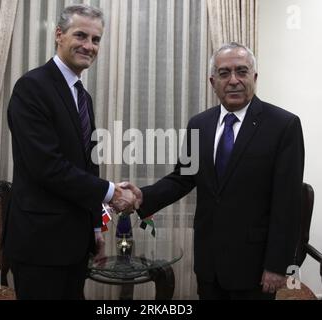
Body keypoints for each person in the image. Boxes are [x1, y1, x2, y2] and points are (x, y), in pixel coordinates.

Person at [127, 42, 304, 300]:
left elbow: (287, 204)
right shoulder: (200, 124)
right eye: (224, 73)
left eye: (241, 72)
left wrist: (277, 266)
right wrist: (142, 197)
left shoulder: (283, 125)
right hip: (209, 264)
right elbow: (183, 177)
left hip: (254, 267)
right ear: (213, 81)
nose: (233, 80)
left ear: (254, 77)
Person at [3, 4, 136, 300]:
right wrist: (113, 192)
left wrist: (97, 227)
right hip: (40, 245)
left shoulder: (83, 97)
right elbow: (47, 167)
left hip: (76, 243)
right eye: (81, 35)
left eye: (96, 39)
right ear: (59, 35)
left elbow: (88, 167)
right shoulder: (31, 87)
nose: (89, 46)